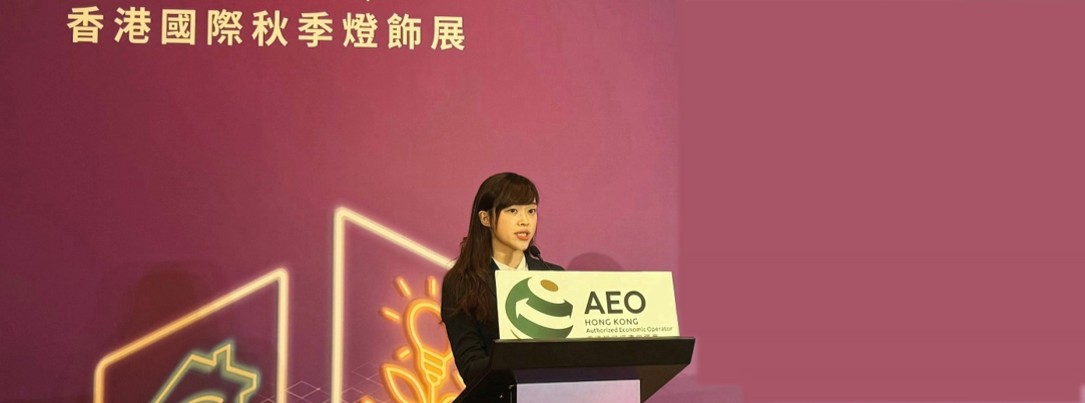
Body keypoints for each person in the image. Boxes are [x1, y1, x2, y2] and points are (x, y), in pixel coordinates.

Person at [441, 172, 564, 402]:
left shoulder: (555, 277)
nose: (525, 221)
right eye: (513, 211)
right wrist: (521, 356)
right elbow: (471, 369)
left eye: (531, 211)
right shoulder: (462, 282)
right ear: (486, 218)